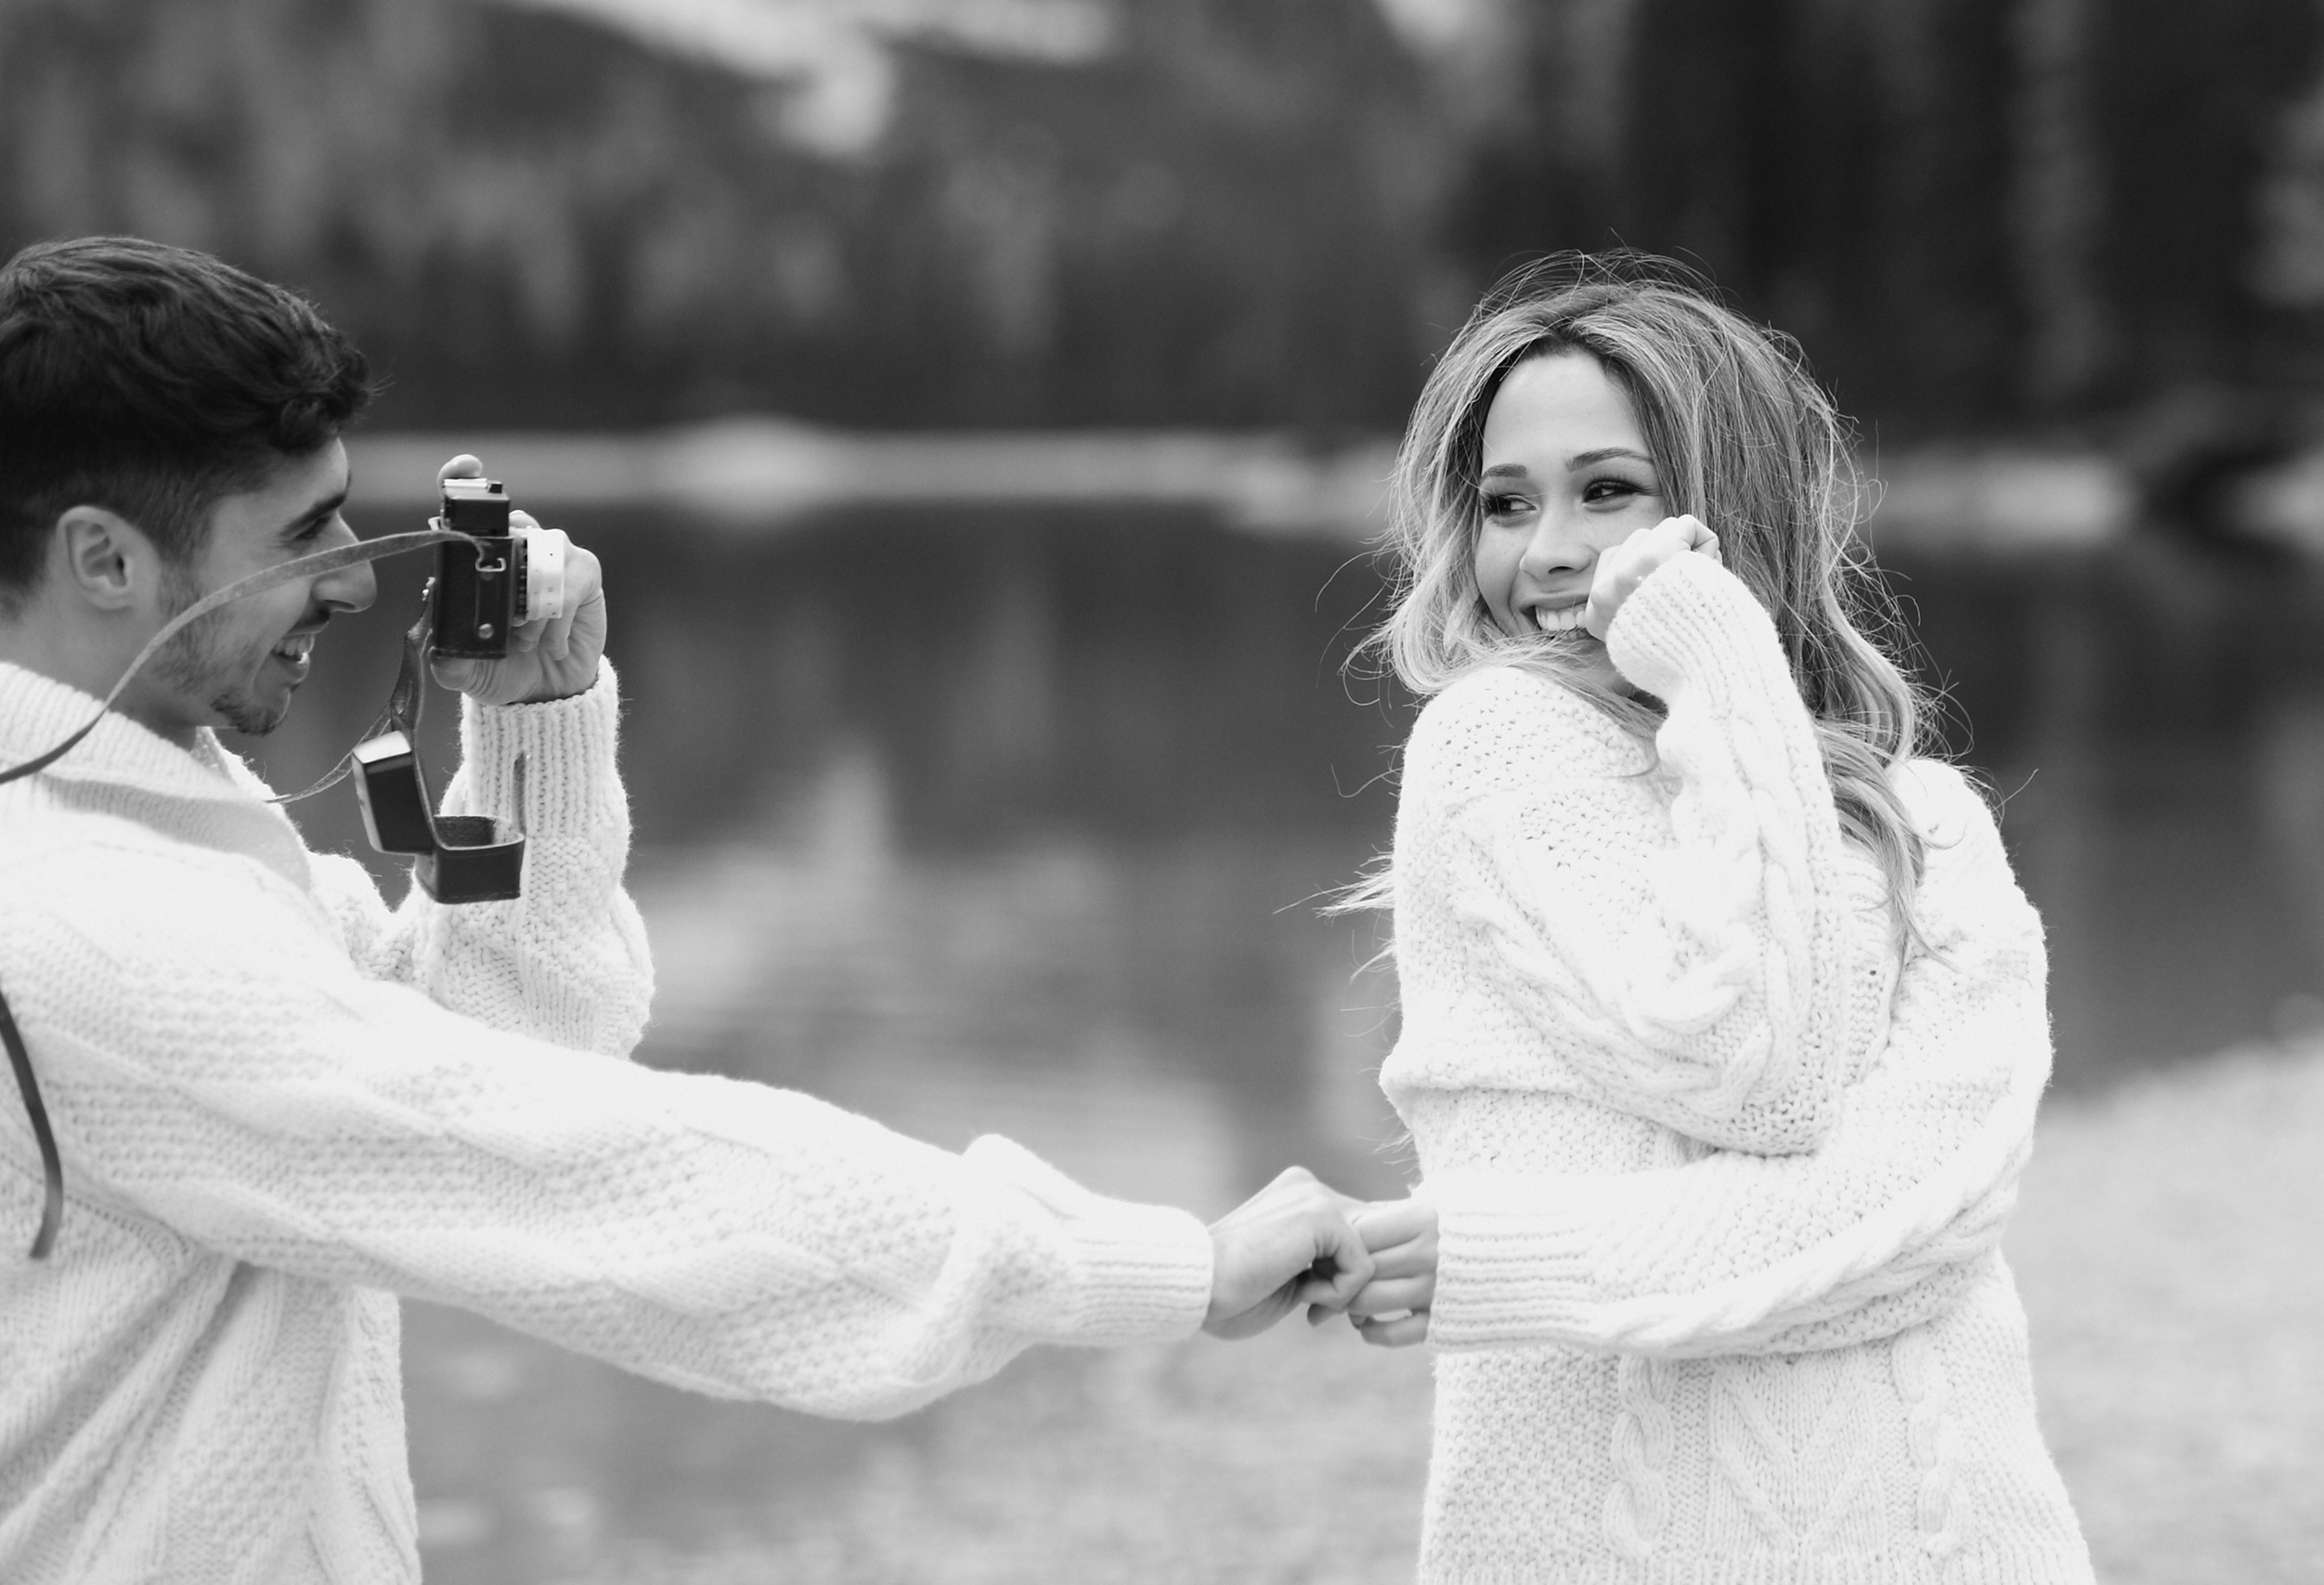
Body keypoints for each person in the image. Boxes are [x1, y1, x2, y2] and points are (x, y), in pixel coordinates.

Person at [0, 236, 1372, 1583]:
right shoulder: (82, 929)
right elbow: (597, 1177)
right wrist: (1167, 1266)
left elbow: (502, 1052)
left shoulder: (149, 812)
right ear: (105, 563)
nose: (361, 576)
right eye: (305, 536)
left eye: (359, 517)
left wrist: (535, 734)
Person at [1325, 254, 2097, 1581]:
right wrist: (1724, 670)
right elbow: (1757, 1076)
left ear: (1732, 512)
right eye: (1505, 502)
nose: (1548, 550)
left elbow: (1924, 1228)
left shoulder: (1934, 825)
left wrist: (1517, 1264)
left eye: (1609, 491)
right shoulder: (1497, 751)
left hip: (1953, 1543)